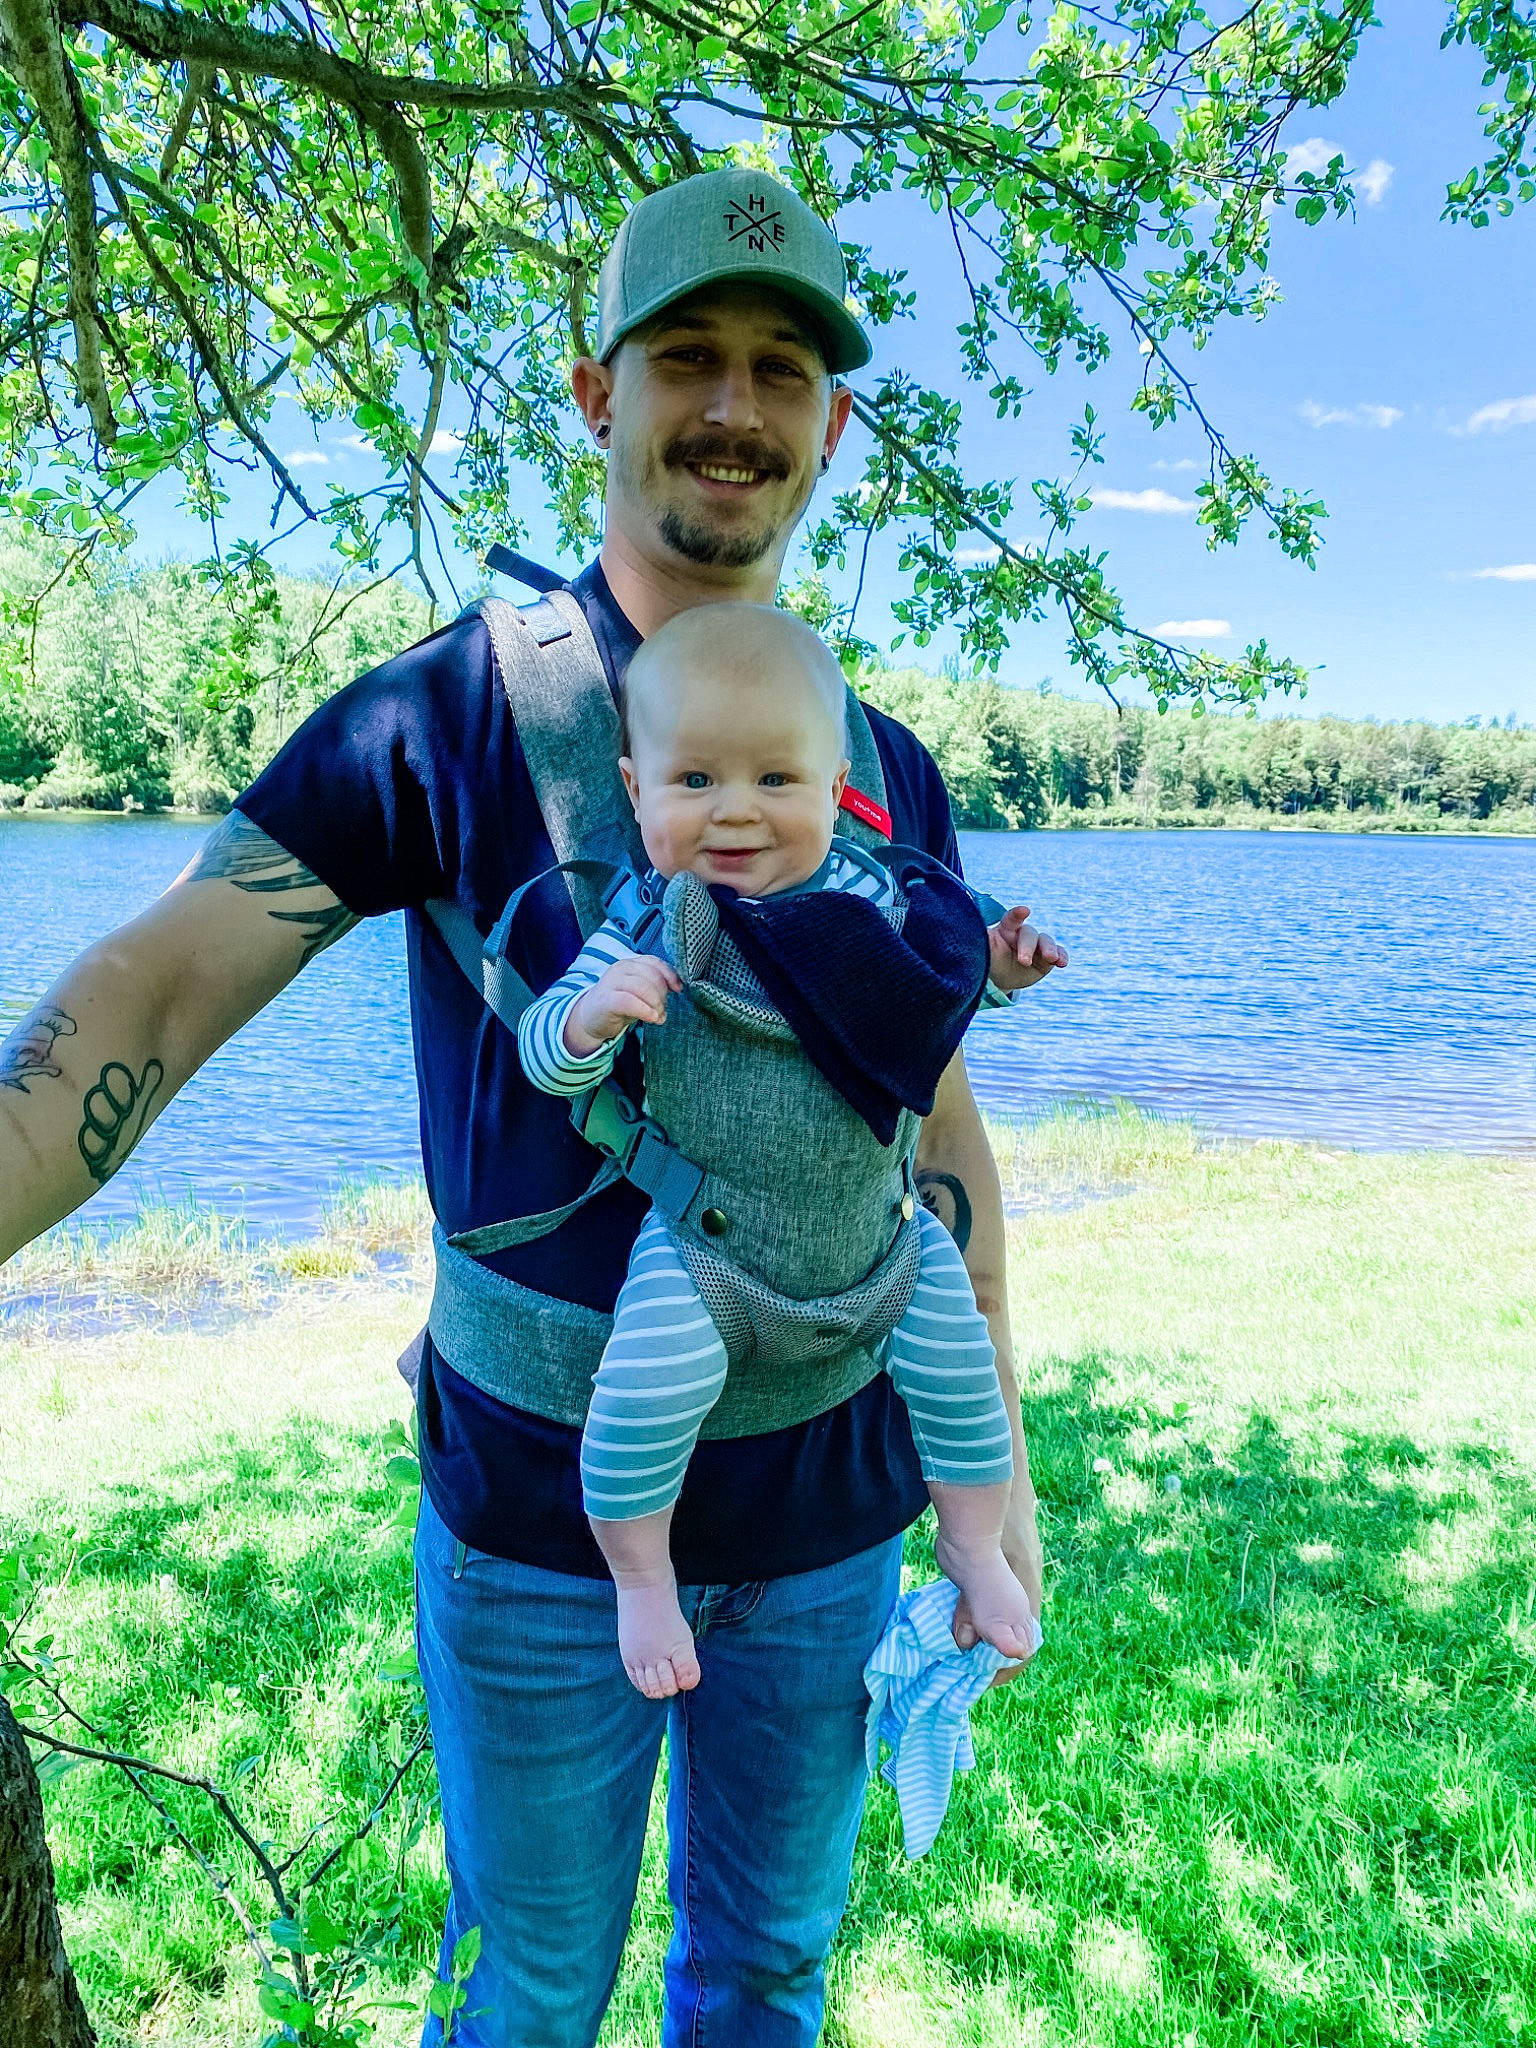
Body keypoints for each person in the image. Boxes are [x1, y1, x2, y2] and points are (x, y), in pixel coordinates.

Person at [0, 166, 1059, 2047]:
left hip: (833, 1518)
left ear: (829, 425)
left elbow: (932, 1132)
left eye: (782, 369)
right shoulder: (437, 721)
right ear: (596, 392)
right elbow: (149, 995)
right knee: (529, 1993)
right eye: (688, 355)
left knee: (768, 1975)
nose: (734, 407)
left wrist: (1002, 1470)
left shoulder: (876, 766)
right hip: (541, 1530)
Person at [518, 602, 1048, 1698]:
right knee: (637, 1401)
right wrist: (587, 1022)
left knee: (961, 1379)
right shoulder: (649, 920)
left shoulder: (877, 900)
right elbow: (543, 1052)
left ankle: (970, 1543)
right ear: (634, 789)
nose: (737, 810)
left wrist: (996, 967)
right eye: (695, 779)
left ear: (834, 786)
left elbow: (932, 1001)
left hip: (882, 1247)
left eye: (775, 779)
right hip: (709, 1252)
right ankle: (641, 1577)